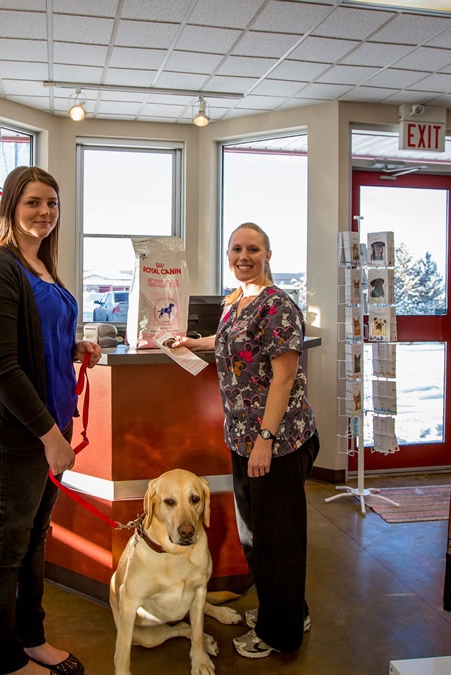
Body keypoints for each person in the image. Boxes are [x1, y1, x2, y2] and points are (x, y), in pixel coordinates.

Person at [0, 166, 101, 675]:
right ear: (10, 208)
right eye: (33, 203)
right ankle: (5, 662)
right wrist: (50, 436)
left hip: (50, 428)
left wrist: (73, 346)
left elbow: (35, 339)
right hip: (16, 436)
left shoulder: (41, 265)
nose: (44, 212)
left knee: (32, 541)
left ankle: (31, 639)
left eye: (52, 203)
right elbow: (1, 365)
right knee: (4, 552)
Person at [173, 222, 318, 660]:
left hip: (277, 443)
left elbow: (285, 374)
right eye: (236, 249)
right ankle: (288, 610)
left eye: (253, 249)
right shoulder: (238, 299)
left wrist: (265, 440)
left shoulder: (277, 305)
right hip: (243, 438)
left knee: (278, 541)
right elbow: (235, 342)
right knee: (257, 537)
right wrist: (195, 341)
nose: (243, 256)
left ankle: (281, 634)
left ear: (268, 254)